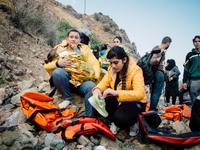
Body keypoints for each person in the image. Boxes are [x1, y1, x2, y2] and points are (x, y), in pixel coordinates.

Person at [88, 46, 147, 136]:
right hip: (120, 100)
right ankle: (117, 121)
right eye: (111, 63)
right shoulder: (111, 69)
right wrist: (97, 89)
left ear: (124, 60)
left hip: (136, 102)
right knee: (99, 105)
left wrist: (117, 93)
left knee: (120, 119)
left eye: (116, 62)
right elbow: (104, 82)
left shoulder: (136, 71)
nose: (113, 66)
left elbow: (140, 93)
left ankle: (134, 122)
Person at [43, 29, 101, 117]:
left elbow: (94, 63)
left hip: (81, 82)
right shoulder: (59, 48)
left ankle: (90, 117)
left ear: (79, 40)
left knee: (91, 87)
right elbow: (46, 66)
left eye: (76, 37)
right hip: (64, 80)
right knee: (58, 72)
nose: (73, 39)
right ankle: (67, 98)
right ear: (67, 38)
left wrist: (95, 76)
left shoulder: (85, 49)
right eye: (71, 37)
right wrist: (58, 63)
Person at [149, 36, 172, 111]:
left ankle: (151, 108)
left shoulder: (155, 48)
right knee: (157, 93)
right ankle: (152, 109)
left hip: (153, 72)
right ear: (167, 43)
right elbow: (152, 61)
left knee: (153, 92)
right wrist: (157, 60)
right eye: (169, 45)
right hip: (158, 73)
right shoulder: (159, 50)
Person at [182, 35, 200, 104]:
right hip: (193, 81)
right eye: (195, 41)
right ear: (193, 43)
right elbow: (186, 69)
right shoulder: (190, 55)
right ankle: (196, 114)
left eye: (199, 41)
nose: (197, 43)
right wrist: (184, 82)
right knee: (195, 102)